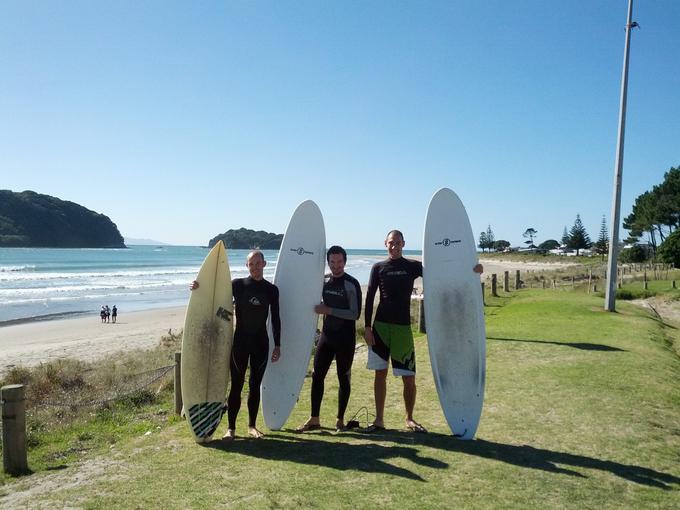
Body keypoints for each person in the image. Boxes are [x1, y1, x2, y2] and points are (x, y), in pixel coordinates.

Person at [363, 230, 483, 433]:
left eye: (398, 243)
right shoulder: (378, 268)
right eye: (391, 243)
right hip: (380, 327)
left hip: (402, 328)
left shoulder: (412, 266)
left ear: (404, 244)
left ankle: (409, 418)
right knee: (379, 374)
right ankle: (379, 419)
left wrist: (471, 269)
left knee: (408, 377)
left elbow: (441, 271)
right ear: (385, 243)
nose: (394, 246)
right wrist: (367, 327)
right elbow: (369, 298)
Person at [190, 250, 281, 441]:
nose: (255, 267)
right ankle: (231, 429)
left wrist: (277, 345)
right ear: (247, 266)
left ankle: (252, 426)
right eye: (251, 264)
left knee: (255, 386)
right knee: (236, 386)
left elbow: (276, 319)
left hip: (261, 343)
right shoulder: (238, 285)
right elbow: (216, 298)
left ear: (264, 264)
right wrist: (199, 287)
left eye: (258, 263)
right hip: (240, 342)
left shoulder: (271, 290)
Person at [296, 246, 362, 433]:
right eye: (332, 262)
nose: (336, 266)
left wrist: (329, 310)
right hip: (327, 337)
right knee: (317, 376)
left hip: (345, 338)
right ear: (328, 262)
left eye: (339, 261)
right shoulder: (324, 282)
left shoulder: (351, 283)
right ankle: (314, 418)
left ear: (345, 261)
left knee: (344, 378)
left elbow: (355, 313)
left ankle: (339, 420)